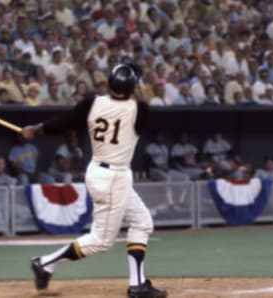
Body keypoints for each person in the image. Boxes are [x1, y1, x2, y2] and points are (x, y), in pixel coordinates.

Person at [21, 64, 167, 298]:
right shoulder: (140, 110)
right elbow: (138, 98)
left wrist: (35, 130)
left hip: (101, 171)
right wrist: (134, 86)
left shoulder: (92, 103)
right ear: (130, 88)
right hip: (114, 178)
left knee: (142, 222)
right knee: (101, 241)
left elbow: (64, 120)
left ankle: (137, 284)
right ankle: (45, 263)